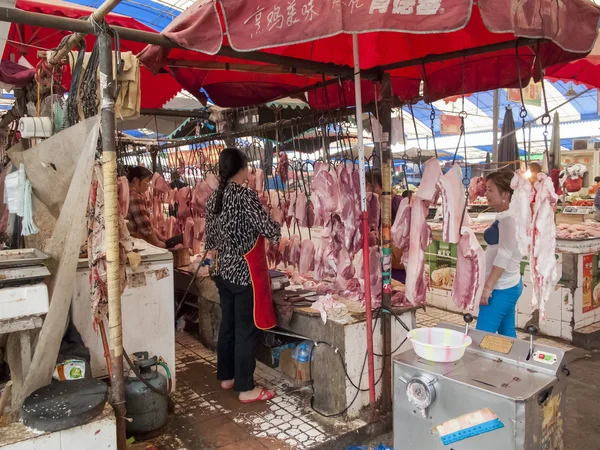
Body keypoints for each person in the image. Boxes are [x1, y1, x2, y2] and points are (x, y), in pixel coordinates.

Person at [205, 147, 281, 404]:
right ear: (242, 168)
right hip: (243, 272)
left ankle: (227, 377)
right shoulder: (244, 196)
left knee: (229, 325)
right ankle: (246, 388)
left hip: (223, 271)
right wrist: (277, 228)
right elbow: (265, 227)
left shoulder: (216, 196)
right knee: (245, 330)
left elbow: (211, 239)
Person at [476, 170, 523, 338]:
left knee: (480, 337)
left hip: (501, 287)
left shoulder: (509, 219)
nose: (486, 193)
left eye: (490, 190)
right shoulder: (506, 215)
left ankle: (481, 365)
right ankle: (516, 364)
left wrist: (488, 287)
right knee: (507, 335)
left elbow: (504, 255)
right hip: (507, 284)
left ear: (505, 194)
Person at [365, 169, 405, 282]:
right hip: (381, 263)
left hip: (398, 266)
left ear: (383, 186)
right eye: (366, 186)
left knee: (398, 292)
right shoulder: (372, 205)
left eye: (372, 186)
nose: (368, 190)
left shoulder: (398, 202)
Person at [126, 166, 166, 248]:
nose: (148, 185)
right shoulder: (135, 196)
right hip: (136, 242)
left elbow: (148, 224)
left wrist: (161, 238)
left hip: (133, 241)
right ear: (135, 180)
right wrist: (157, 242)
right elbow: (144, 224)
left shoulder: (129, 193)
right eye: (147, 181)